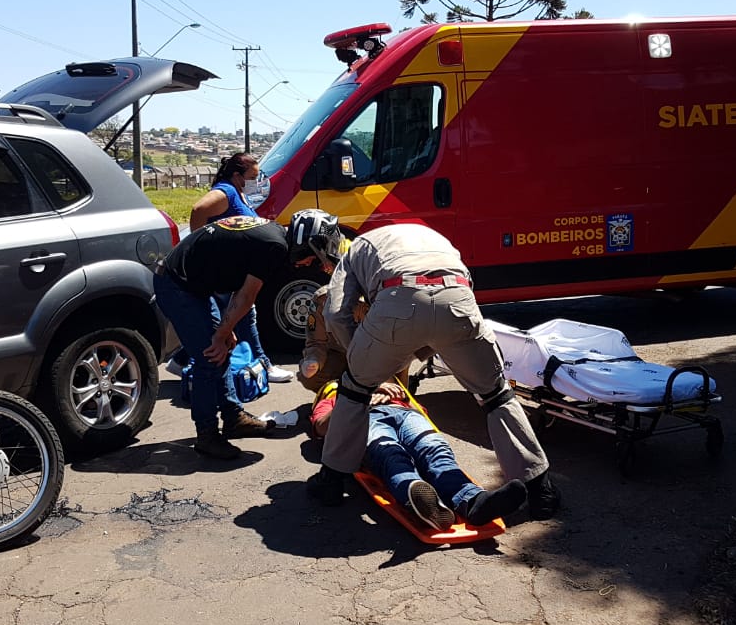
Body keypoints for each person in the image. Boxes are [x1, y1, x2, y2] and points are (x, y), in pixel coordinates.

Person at [287, 209, 560, 519]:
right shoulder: (427, 238)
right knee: (496, 396)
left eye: (315, 262)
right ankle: (541, 490)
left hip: (399, 298)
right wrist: (422, 348)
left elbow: (336, 314)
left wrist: (363, 364)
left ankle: (331, 481)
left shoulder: (357, 251)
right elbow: (455, 293)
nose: (321, 269)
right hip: (458, 301)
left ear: (324, 246)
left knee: (354, 390)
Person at [154, 214, 291, 459]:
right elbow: (246, 297)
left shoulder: (272, 231)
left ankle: (233, 417)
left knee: (221, 350)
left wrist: (225, 332)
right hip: (177, 284)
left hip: (195, 284)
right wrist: (221, 335)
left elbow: (236, 284)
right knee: (209, 356)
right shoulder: (275, 247)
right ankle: (206, 435)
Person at [310, 380, 527, 529]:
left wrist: (396, 393)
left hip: (405, 414)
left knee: (435, 450)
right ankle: (421, 503)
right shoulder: (331, 402)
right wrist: (352, 401)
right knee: (391, 456)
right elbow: (321, 427)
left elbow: (420, 411)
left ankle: (475, 502)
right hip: (365, 419)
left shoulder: (387, 390)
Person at [166, 152, 294, 384]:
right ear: (237, 176)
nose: (257, 181)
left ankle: (180, 360)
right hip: (218, 267)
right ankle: (263, 363)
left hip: (231, 268)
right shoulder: (226, 192)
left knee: (232, 318)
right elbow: (199, 209)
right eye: (253, 176)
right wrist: (198, 246)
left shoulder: (241, 194)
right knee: (243, 314)